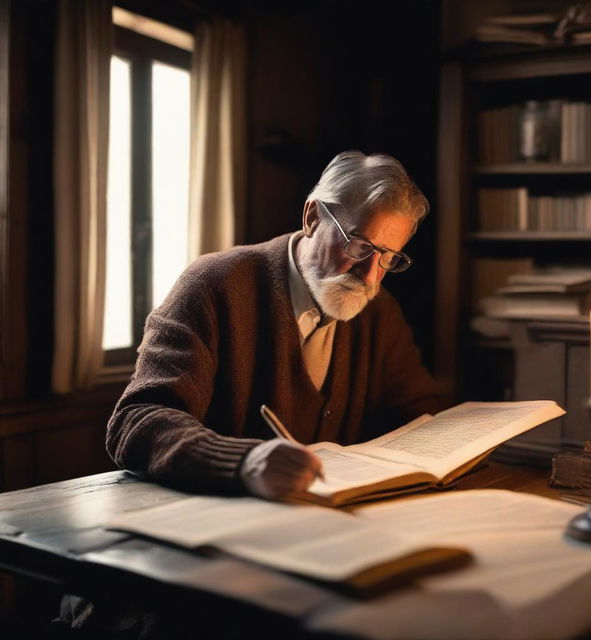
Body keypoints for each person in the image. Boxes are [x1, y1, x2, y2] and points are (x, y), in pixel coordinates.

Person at [105, 149, 437, 501]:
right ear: (312, 218)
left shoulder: (378, 310)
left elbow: (416, 411)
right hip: (218, 518)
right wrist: (243, 462)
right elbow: (136, 421)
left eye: (387, 257)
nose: (370, 275)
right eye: (358, 246)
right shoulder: (215, 284)